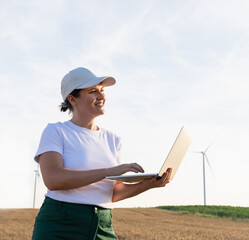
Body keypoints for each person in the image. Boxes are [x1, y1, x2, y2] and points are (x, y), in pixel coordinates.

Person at [32, 67, 172, 240]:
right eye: (92, 91)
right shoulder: (56, 131)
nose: (101, 96)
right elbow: (53, 179)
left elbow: (112, 192)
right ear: (72, 99)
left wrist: (149, 184)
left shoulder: (113, 139)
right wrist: (109, 171)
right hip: (60, 223)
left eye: (102, 90)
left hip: (102, 224)